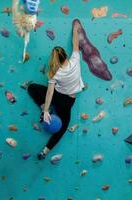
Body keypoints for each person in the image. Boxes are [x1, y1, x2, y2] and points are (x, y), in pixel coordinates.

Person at [27, 22, 84, 160]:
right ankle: (44, 152)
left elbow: (49, 94)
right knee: (63, 128)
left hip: (58, 97)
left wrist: (45, 109)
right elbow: (75, 43)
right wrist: (75, 28)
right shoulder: (75, 59)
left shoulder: (55, 73)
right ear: (65, 54)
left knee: (32, 87)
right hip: (69, 100)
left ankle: (44, 109)